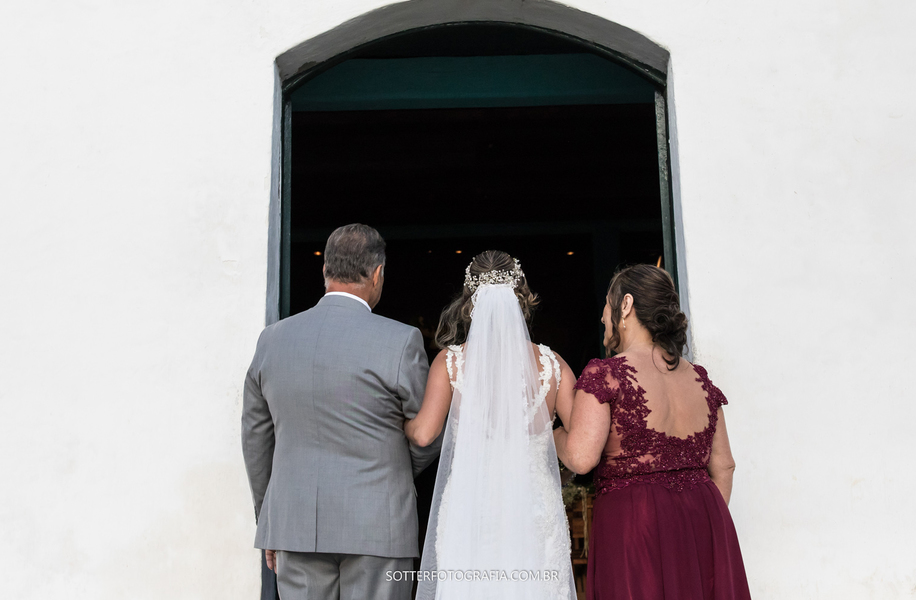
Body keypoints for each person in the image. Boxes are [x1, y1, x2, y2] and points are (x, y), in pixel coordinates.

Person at [241, 224, 440, 600]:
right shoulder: (401, 340)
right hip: (379, 523)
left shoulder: (272, 339)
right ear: (378, 273)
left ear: (324, 271)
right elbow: (428, 433)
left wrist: (271, 520)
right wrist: (390, 470)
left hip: (294, 524)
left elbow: (256, 437)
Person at [554, 265, 751, 600]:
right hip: (703, 519)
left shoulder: (606, 374)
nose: (603, 317)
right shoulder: (700, 378)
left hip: (634, 522)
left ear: (626, 305)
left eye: (607, 304)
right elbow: (725, 466)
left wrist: (552, 432)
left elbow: (581, 458)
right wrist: (706, 525)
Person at [404, 250, 577, 600]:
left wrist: (401, 420)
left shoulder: (449, 362)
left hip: (472, 507)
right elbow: (580, 445)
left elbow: (423, 433)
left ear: (470, 302)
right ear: (522, 299)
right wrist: (553, 434)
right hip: (533, 507)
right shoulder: (553, 365)